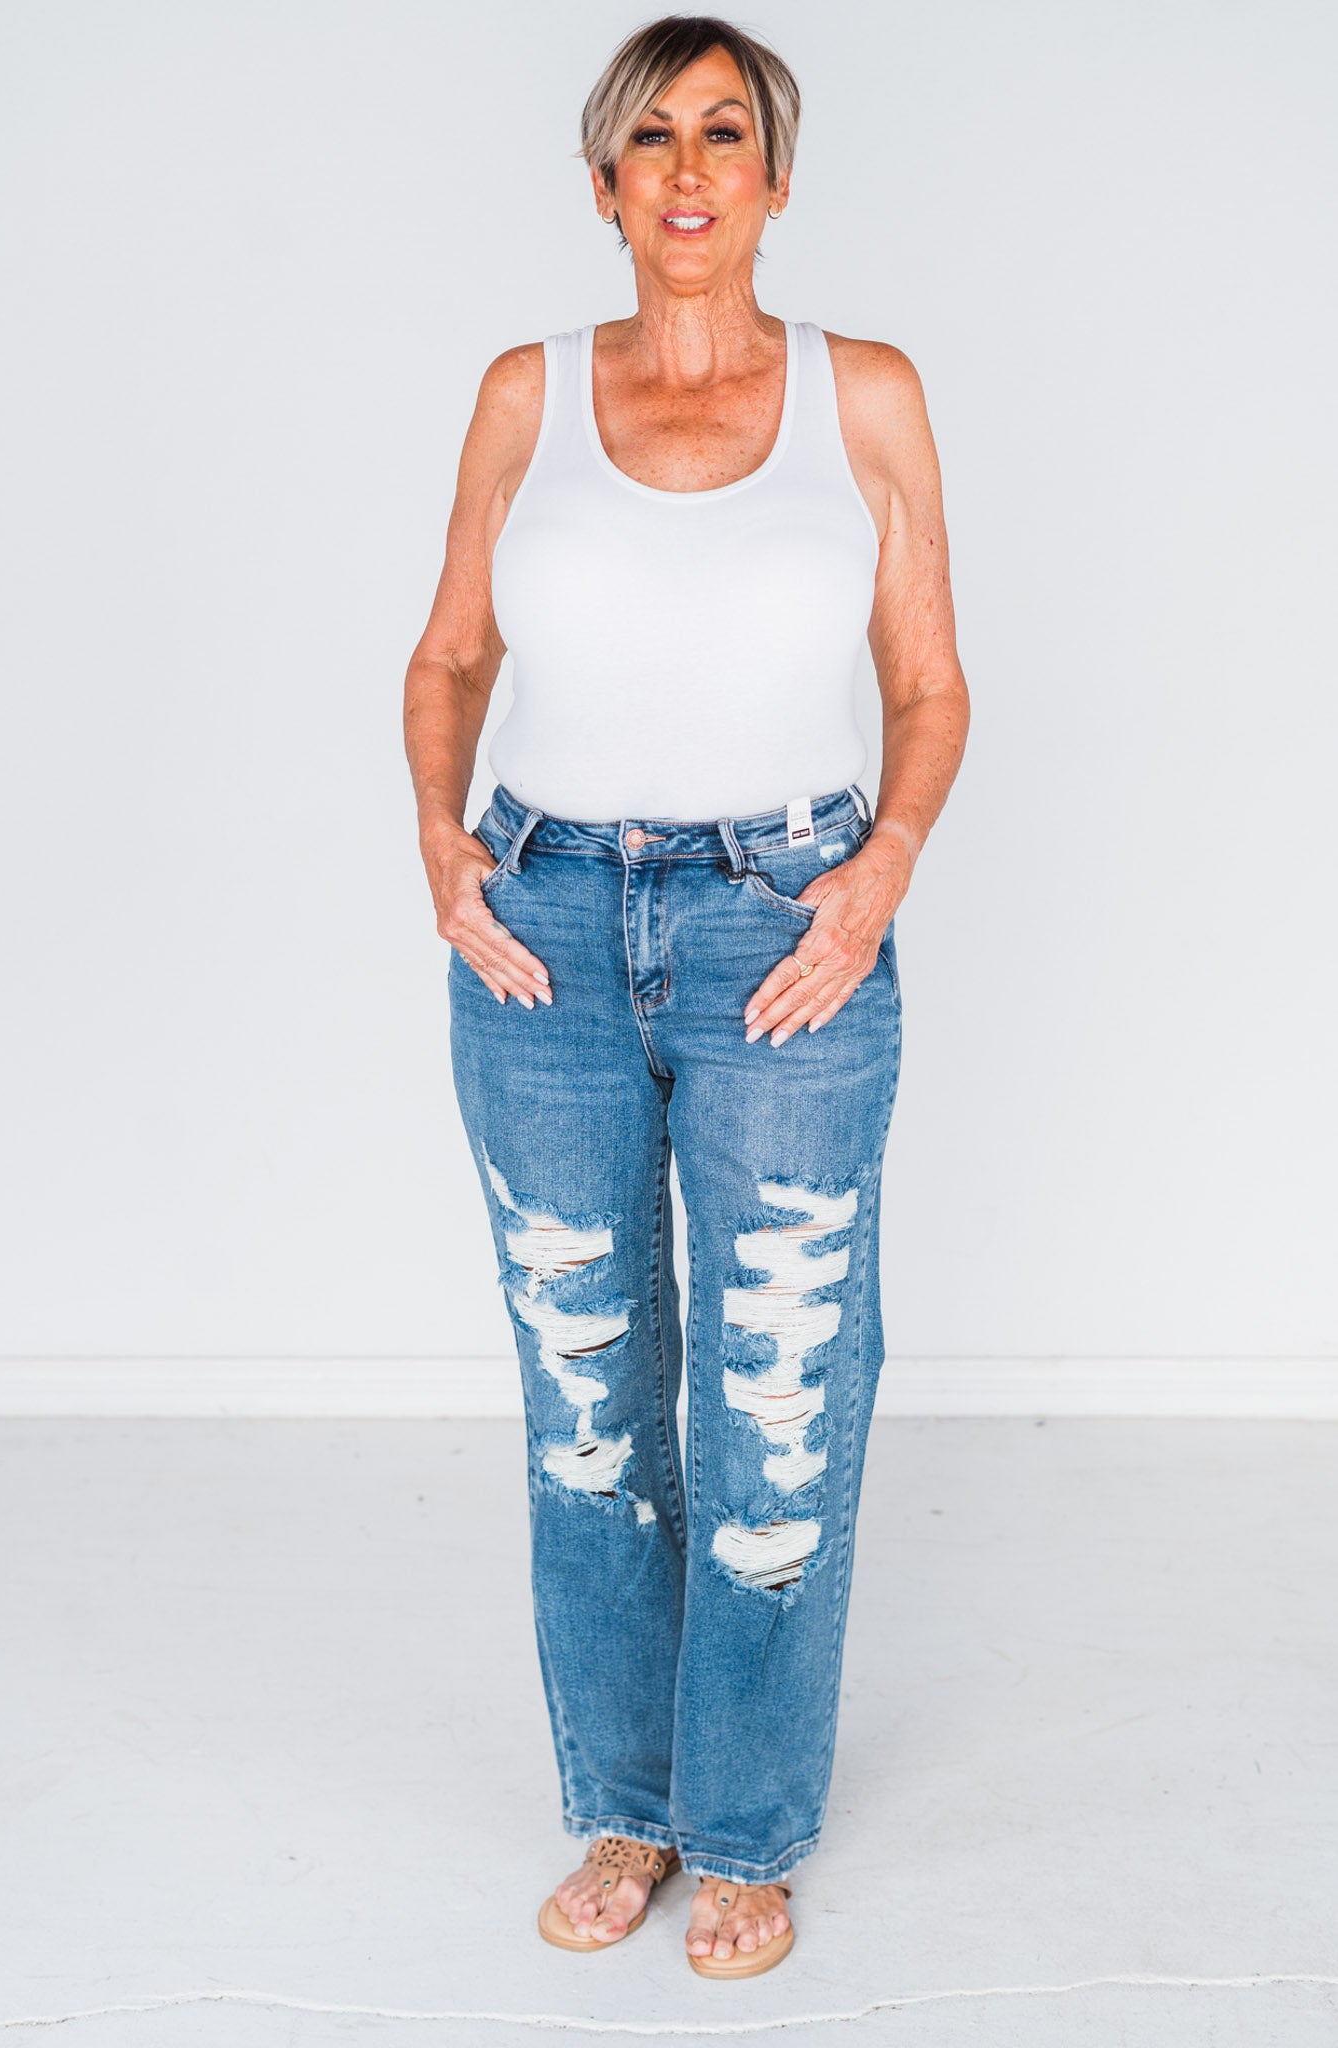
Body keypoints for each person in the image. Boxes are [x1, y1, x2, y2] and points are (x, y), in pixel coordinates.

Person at [403, 14, 968, 1979]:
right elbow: (448, 657)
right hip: (543, 928)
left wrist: (881, 867)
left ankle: (743, 1823)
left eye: (725, 132)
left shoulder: (864, 396)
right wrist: (439, 840)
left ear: (773, 179)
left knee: (777, 1395)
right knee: (586, 1399)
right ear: (603, 186)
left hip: (778, 925)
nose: (688, 168)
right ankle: (628, 1806)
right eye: (649, 138)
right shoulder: (525, 394)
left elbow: (926, 684)